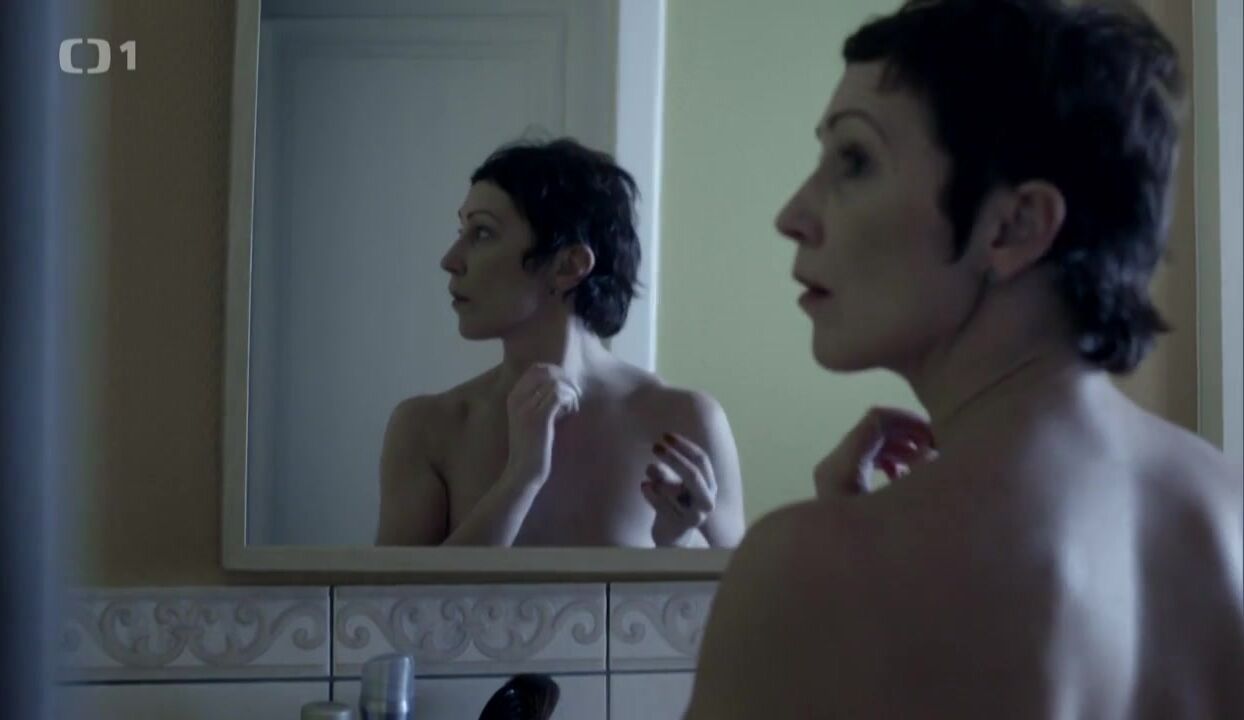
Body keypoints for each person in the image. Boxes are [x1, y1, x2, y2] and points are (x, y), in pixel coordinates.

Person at [686, 0, 1243, 717]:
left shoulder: (805, 570)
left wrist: (840, 559)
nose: (792, 215)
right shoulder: (1231, 516)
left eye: (854, 160)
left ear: (1014, 226)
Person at [376, 138, 745, 548]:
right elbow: (401, 591)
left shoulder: (684, 423)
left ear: (569, 265)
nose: (450, 259)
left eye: (482, 232)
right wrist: (521, 477)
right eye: (462, 231)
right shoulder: (426, 429)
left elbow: (741, 587)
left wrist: (674, 544)